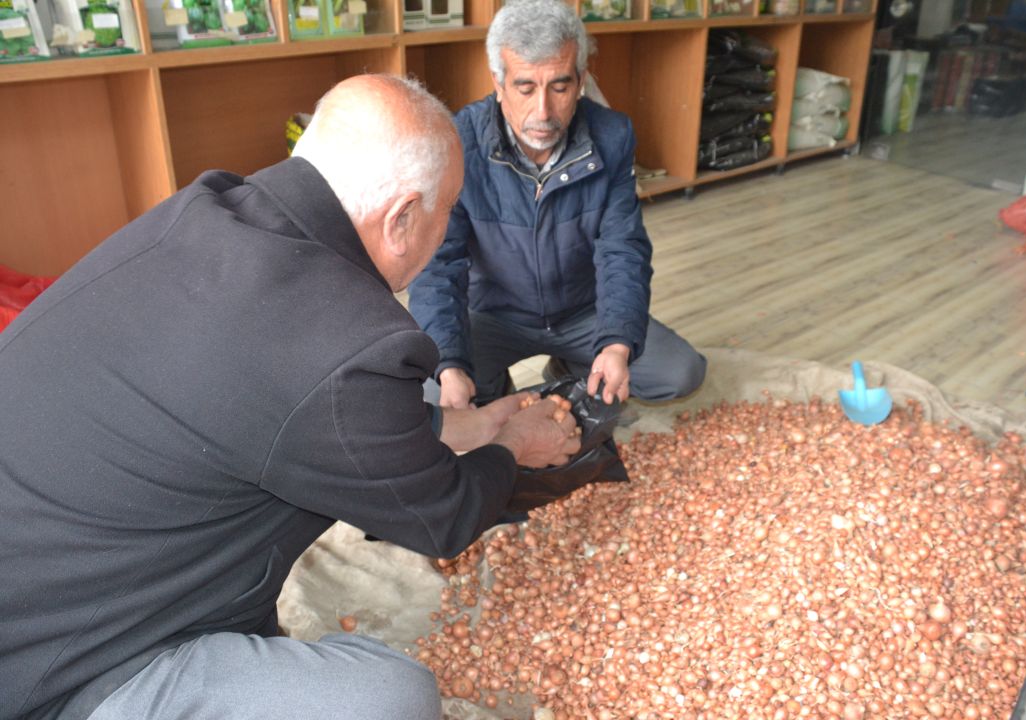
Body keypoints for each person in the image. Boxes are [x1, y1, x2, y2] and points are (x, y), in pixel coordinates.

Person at [0, 74, 581, 720]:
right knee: (394, 698)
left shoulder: (207, 207)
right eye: (447, 214)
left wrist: (466, 426)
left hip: (42, 555)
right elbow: (438, 517)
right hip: (56, 669)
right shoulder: (352, 342)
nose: (446, 234)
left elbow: (284, 400)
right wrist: (511, 446)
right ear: (403, 218)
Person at [408, 0, 707, 410]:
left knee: (680, 372)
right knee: (433, 391)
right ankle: (488, 383)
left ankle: (569, 366)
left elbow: (623, 250)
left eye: (560, 87)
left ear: (581, 80)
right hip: (492, 314)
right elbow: (438, 266)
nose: (543, 112)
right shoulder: (459, 142)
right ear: (498, 82)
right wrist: (450, 364)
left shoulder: (613, 135)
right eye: (525, 88)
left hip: (582, 312)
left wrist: (617, 343)